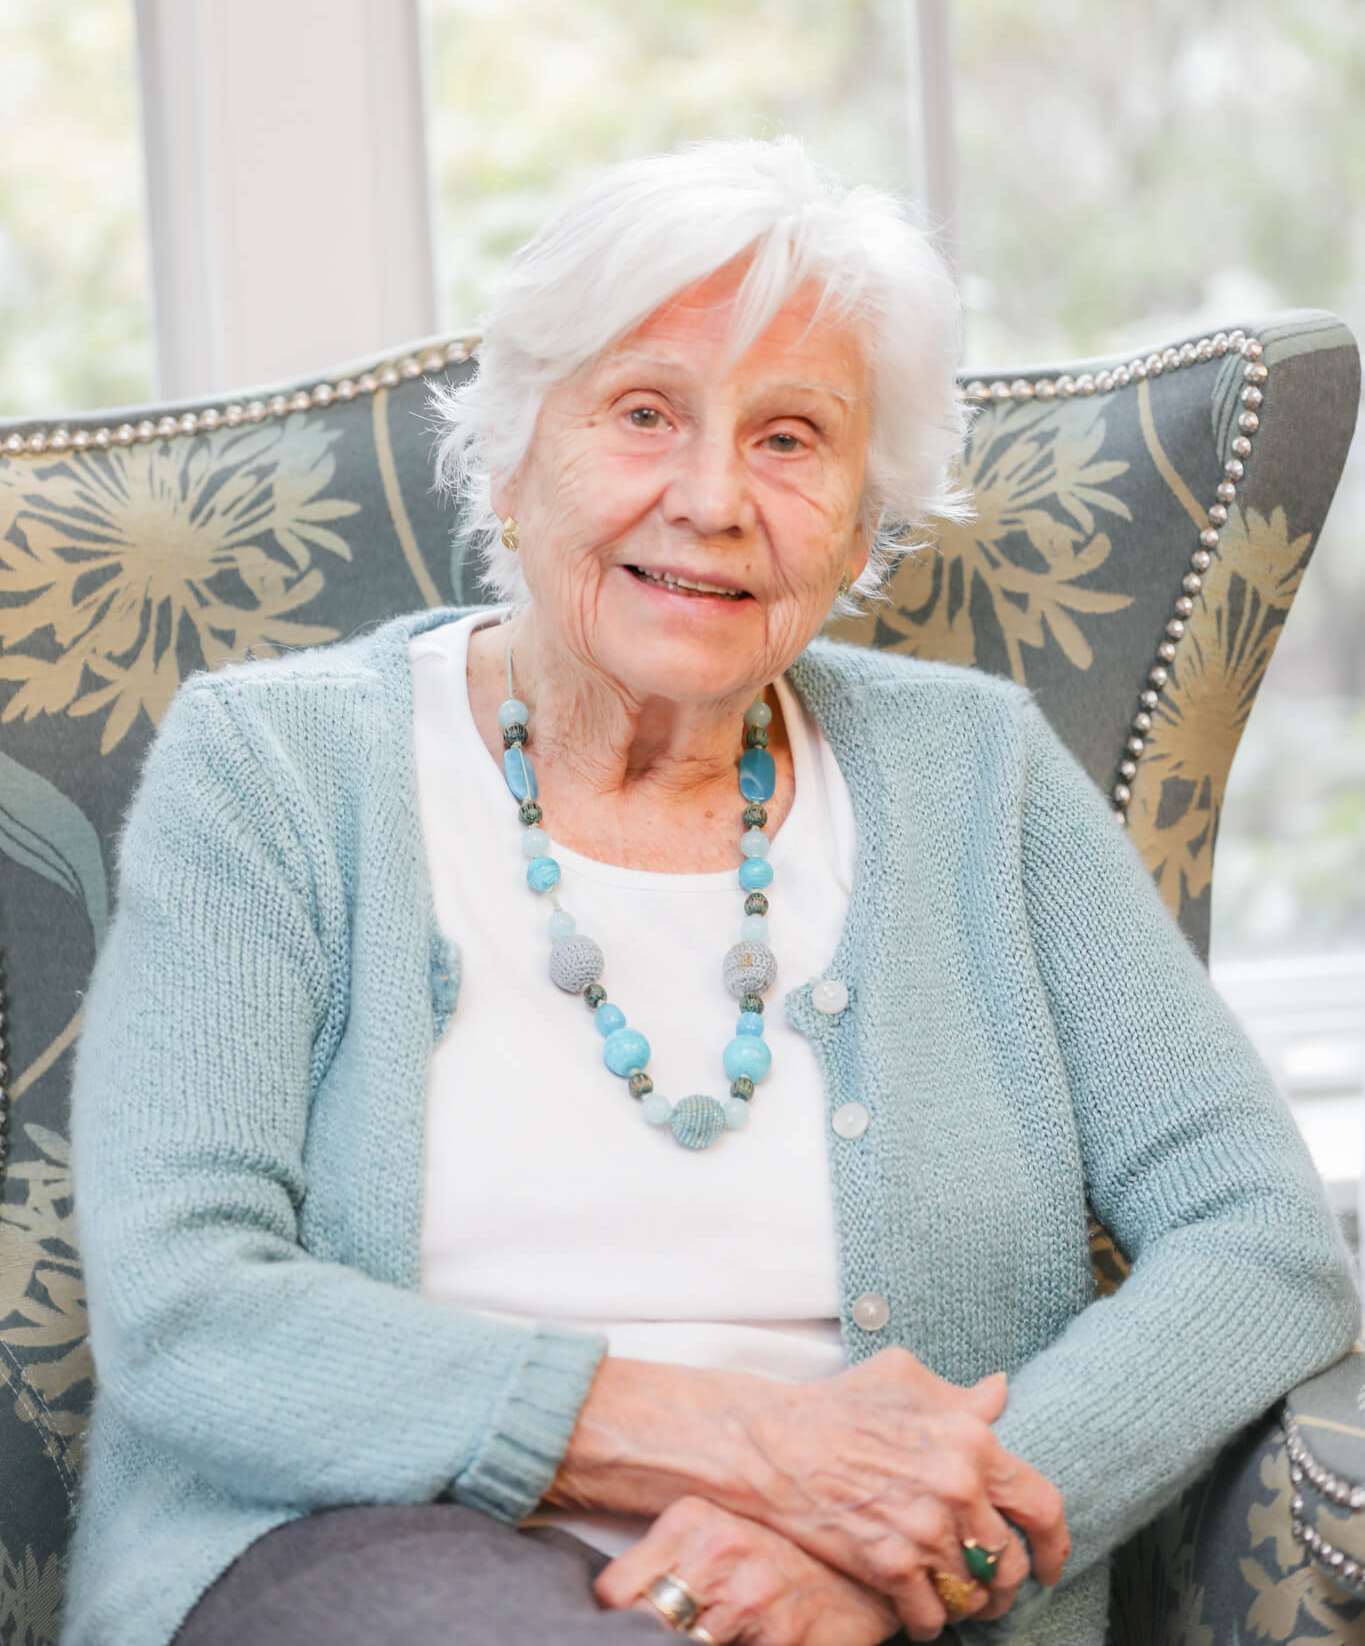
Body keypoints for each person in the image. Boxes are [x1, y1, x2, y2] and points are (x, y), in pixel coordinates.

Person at [65, 138, 1357, 1646]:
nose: (710, 497)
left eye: (791, 440)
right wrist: (749, 1446)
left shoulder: (974, 780)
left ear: (864, 528)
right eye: (641, 413)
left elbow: (1258, 1236)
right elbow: (187, 1310)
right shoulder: (274, 772)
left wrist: (905, 1549)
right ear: (507, 455)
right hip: (380, 1570)